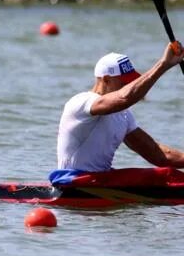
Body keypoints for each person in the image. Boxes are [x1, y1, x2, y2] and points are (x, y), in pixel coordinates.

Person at [55, 42, 184, 174]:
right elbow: (125, 98)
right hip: (72, 182)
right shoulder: (81, 102)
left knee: (166, 175)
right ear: (106, 80)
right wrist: (163, 64)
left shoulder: (124, 116)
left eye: (131, 81)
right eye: (125, 82)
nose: (129, 85)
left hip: (101, 181)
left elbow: (158, 154)